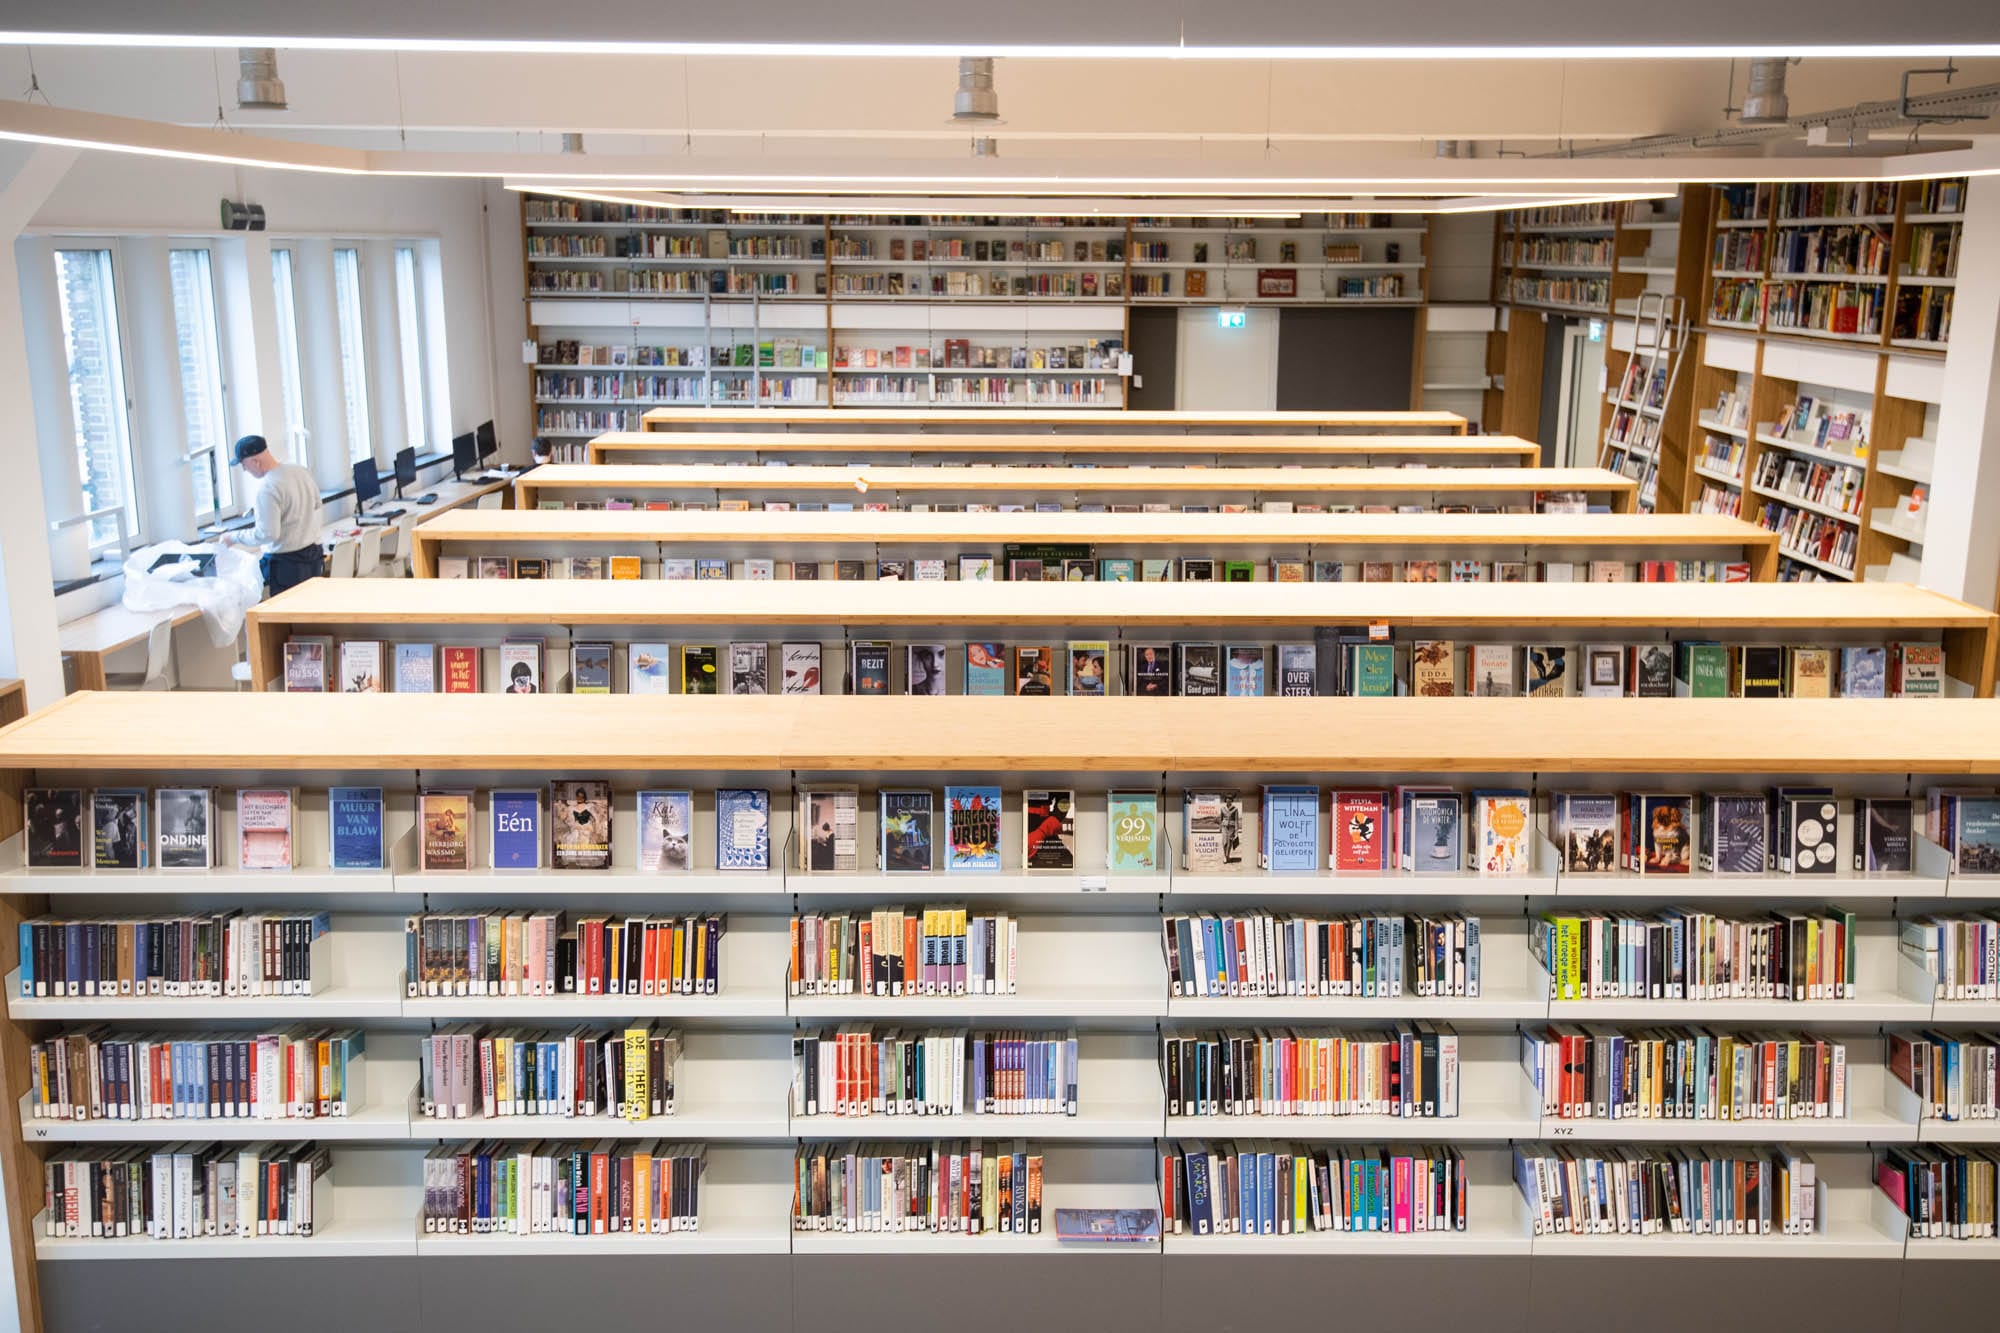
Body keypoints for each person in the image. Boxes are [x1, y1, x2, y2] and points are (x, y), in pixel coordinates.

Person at [219, 436, 323, 597]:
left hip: (288, 565)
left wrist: (233, 537)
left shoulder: (267, 488)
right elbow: (316, 503)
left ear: (255, 461)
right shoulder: (299, 470)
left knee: (289, 618)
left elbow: (267, 534)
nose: (244, 470)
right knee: (311, 612)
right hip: (314, 555)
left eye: (243, 464)